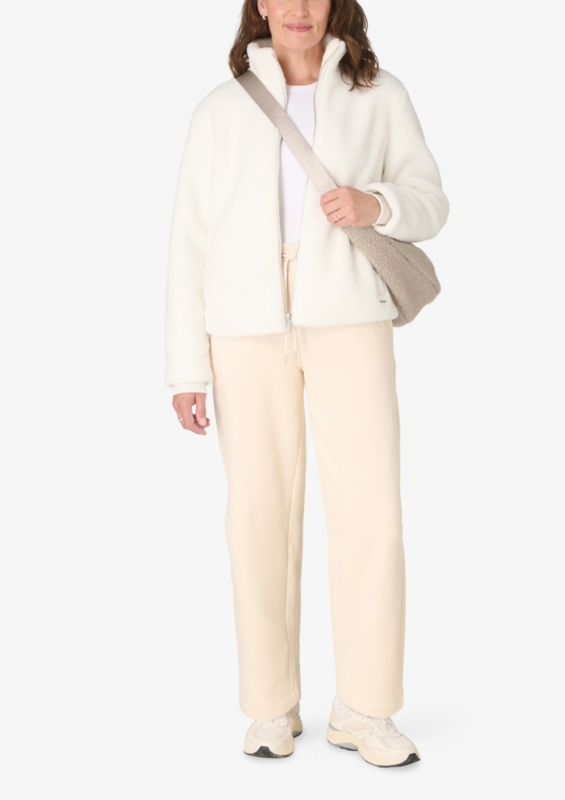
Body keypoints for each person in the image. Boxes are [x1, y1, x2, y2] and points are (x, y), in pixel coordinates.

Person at [164, 0, 449, 768]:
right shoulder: (219, 110)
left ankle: (365, 708)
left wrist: (376, 203)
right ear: (258, 4)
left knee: (372, 514)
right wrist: (186, 367)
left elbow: (431, 200)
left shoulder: (379, 94)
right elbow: (188, 244)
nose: (297, 9)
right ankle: (270, 706)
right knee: (257, 515)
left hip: (350, 320)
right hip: (244, 330)